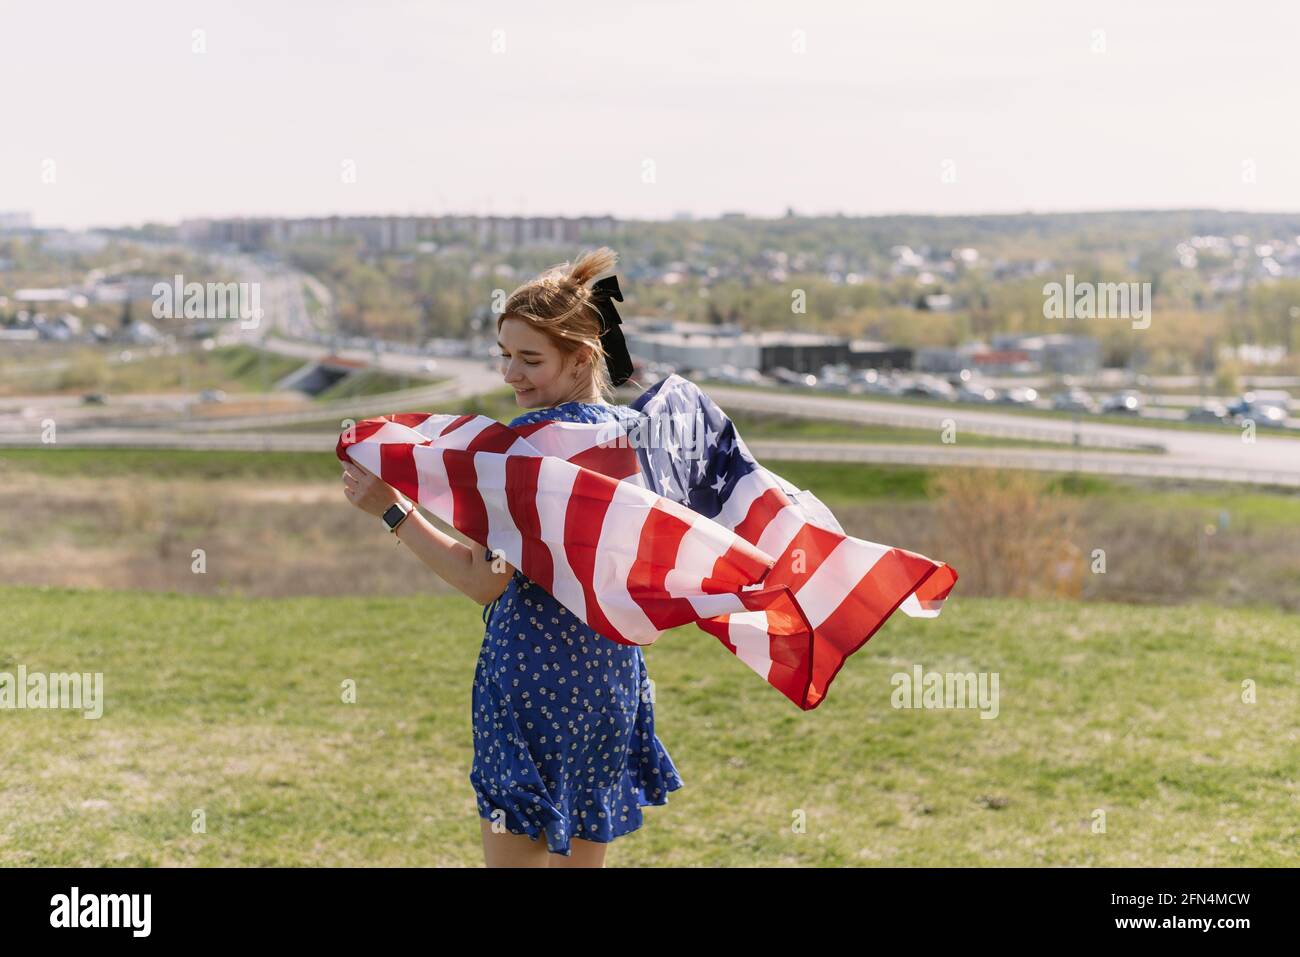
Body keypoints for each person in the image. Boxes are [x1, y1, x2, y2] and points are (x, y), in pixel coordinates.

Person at [341, 247, 684, 867]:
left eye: (530, 359)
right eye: (505, 355)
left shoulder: (522, 450)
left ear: (581, 358)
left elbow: (483, 582)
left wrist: (392, 510)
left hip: (532, 678)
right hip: (609, 679)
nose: (511, 375)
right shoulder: (633, 439)